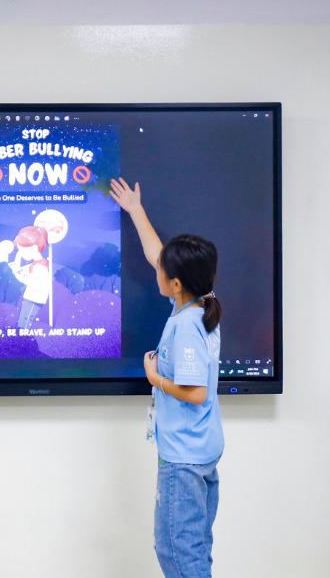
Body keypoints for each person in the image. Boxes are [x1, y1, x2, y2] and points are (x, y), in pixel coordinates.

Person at [109, 178, 224, 578]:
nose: (156, 269)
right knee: (193, 547)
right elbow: (157, 254)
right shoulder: (198, 303)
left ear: (176, 283)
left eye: (162, 270)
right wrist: (135, 210)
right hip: (200, 448)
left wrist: (153, 377)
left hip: (183, 457)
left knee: (176, 550)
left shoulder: (187, 324)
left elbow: (195, 393)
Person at [8, 225, 51, 329]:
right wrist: (18, 259)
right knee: (23, 321)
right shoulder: (35, 264)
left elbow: (35, 285)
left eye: (22, 250)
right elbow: (20, 269)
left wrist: (18, 276)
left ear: (34, 248)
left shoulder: (40, 267)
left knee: (25, 322)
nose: (21, 253)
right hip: (31, 298)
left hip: (34, 299)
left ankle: (22, 338)